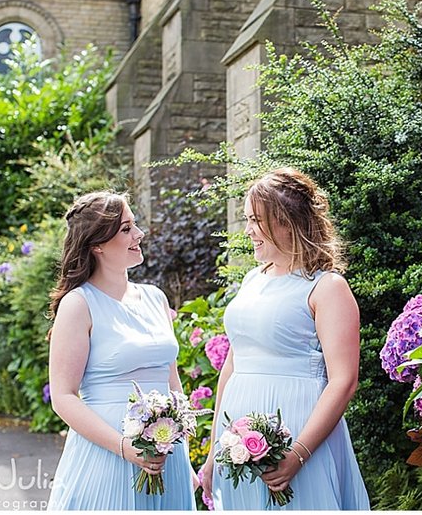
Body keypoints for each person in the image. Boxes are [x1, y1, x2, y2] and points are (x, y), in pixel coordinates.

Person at [202, 168, 371, 509]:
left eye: (255, 220)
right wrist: (212, 452)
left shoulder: (327, 287)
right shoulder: (252, 279)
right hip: (236, 442)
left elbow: (343, 381)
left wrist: (298, 454)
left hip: (300, 434)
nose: (248, 230)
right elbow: (233, 363)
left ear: (285, 221)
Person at [46, 192, 195, 509]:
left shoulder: (156, 298)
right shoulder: (78, 304)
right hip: (108, 456)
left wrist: (186, 454)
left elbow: (172, 383)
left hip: (168, 456)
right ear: (97, 244)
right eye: (126, 229)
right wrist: (125, 447)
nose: (139, 235)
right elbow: (63, 397)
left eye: (134, 225)